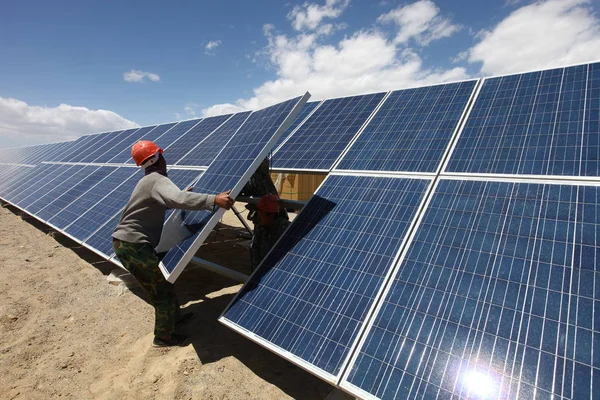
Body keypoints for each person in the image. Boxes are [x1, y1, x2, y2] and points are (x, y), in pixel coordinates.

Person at [112, 140, 234, 347]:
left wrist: (182, 194)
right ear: (158, 158)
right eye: (163, 155)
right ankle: (163, 337)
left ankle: (175, 319)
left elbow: (163, 201)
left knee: (164, 285)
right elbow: (178, 199)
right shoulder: (157, 179)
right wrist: (213, 199)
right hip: (134, 245)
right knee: (161, 293)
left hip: (129, 243)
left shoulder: (148, 181)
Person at [248, 194, 290, 269]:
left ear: (271, 214)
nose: (259, 217)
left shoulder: (285, 229)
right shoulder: (260, 229)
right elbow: (255, 252)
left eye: (261, 213)